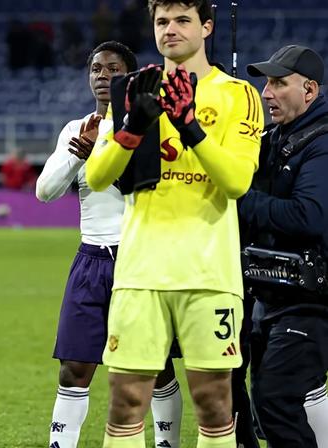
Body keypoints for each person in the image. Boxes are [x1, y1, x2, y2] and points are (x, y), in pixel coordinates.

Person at [85, 0, 264, 446]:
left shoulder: (238, 94)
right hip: (140, 272)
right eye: (162, 21)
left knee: (215, 403)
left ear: (206, 27)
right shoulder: (134, 89)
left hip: (209, 274)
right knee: (126, 401)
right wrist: (131, 128)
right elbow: (97, 175)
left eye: (183, 20)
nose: (170, 30)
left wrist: (190, 126)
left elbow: (237, 181)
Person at [38, 40, 183, 448]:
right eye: (96, 70)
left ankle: (166, 443)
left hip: (137, 258)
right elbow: (44, 192)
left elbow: (149, 192)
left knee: (155, 368)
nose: (103, 77)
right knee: (73, 367)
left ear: (130, 77)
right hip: (89, 260)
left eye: (114, 70)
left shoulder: (150, 126)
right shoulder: (75, 129)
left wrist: (109, 152)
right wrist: (77, 155)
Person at [240, 44, 328, 448]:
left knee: (275, 400)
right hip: (270, 294)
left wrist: (241, 196)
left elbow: (309, 216)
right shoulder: (274, 137)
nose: (266, 92)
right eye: (265, 83)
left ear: (309, 90)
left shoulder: (322, 143)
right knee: (264, 409)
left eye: (278, 83)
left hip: (311, 301)